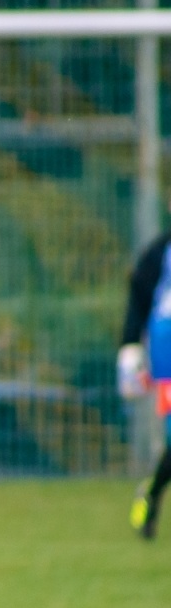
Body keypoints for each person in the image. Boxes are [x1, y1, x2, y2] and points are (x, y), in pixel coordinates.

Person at [120, 230, 171, 539]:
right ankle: (152, 493)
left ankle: (152, 491)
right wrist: (129, 345)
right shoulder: (161, 250)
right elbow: (138, 292)